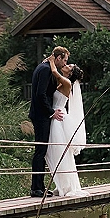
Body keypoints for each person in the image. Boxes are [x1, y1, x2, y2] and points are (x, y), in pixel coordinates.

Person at [28, 46, 69, 197]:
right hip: (41, 115)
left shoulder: (44, 66)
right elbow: (40, 95)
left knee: (42, 151)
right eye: (64, 60)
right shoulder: (45, 69)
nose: (65, 64)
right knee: (40, 151)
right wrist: (51, 112)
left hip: (41, 114)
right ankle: (35, 188)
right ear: (58, 58)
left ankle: (40, 185)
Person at [45, 56, 86, 197]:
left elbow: (55, 72)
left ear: (70, 73)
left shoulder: (67, 82)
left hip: (58, 118)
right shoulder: (64, 81)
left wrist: (51, 61)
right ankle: (61, 184)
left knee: (59, 152)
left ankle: (66, 186)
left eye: (69, 66)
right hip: (56, 115)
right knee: (56, 153)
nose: (66, 65)